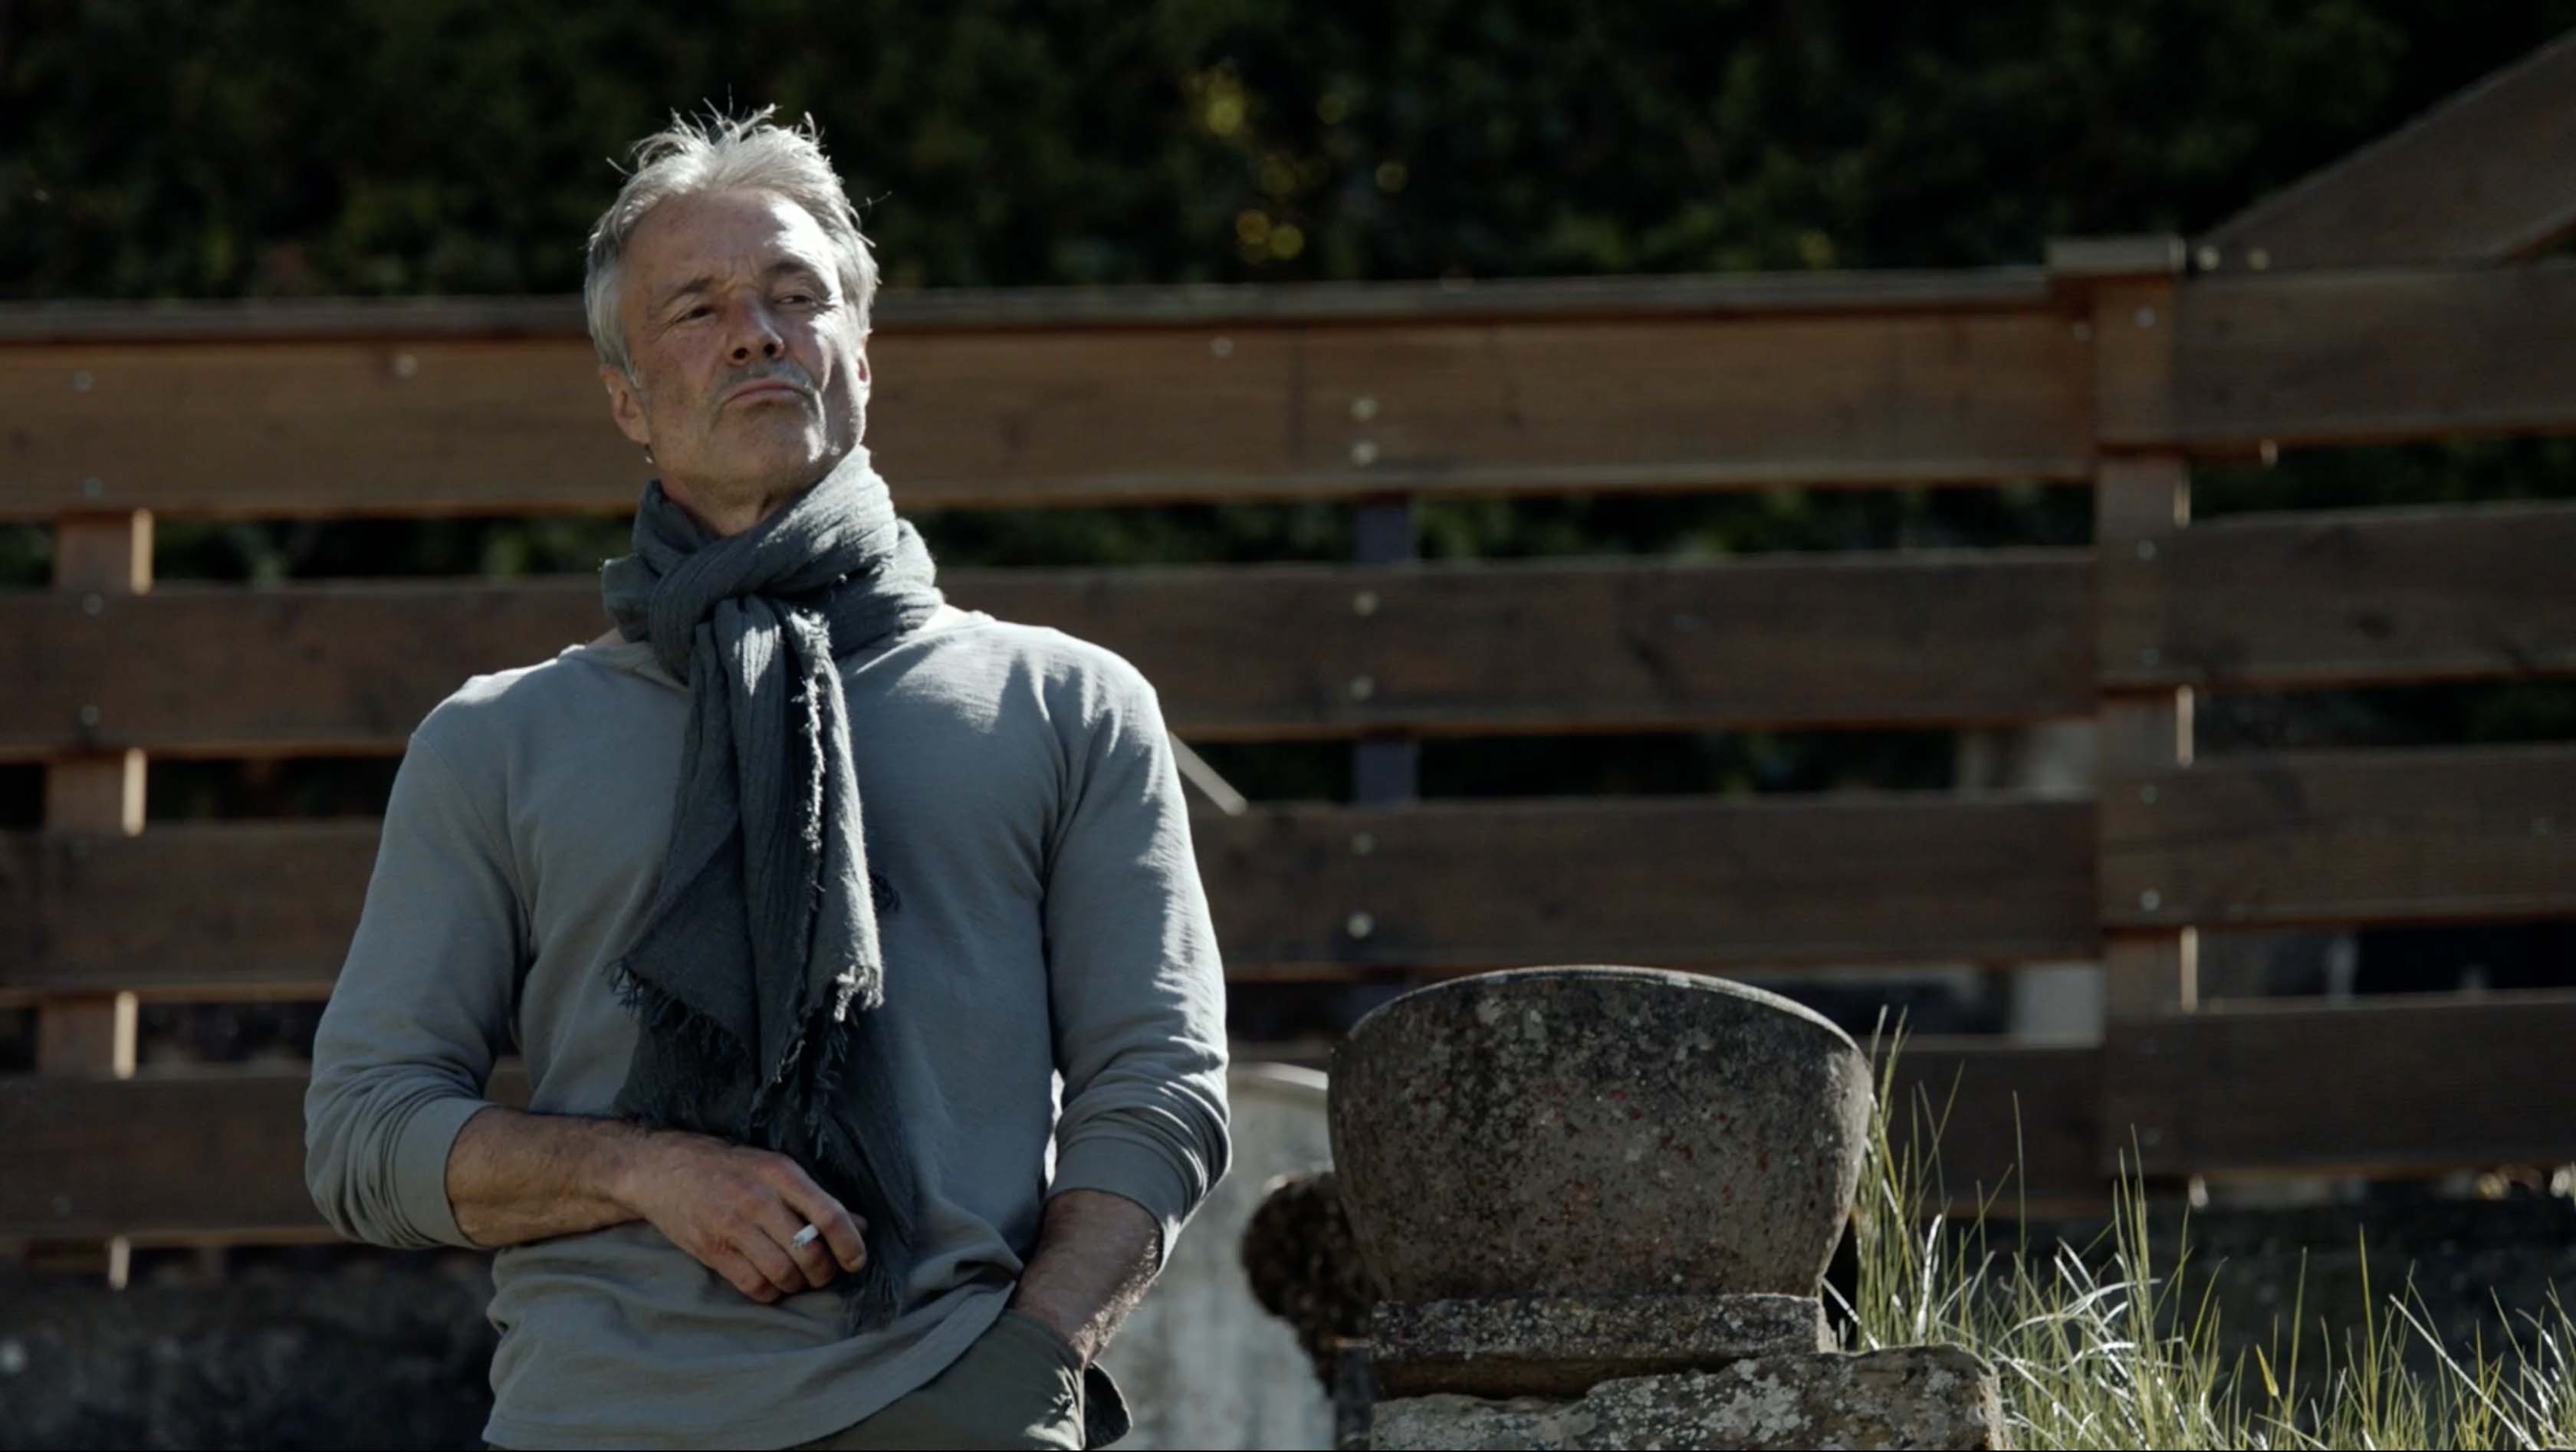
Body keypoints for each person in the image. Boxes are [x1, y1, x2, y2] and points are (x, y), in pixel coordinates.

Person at [303, 103, 1232, 1450]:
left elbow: (1159, 1084)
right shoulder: (499, 740)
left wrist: (1028, 1370)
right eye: (698, 308)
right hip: (597, 1420)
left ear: (863, 352)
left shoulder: (1069, 706)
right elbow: (363, 1132)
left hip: (956, 1399)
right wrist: (647, 1171)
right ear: (627, 399)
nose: (756, 332)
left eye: (798, 295)